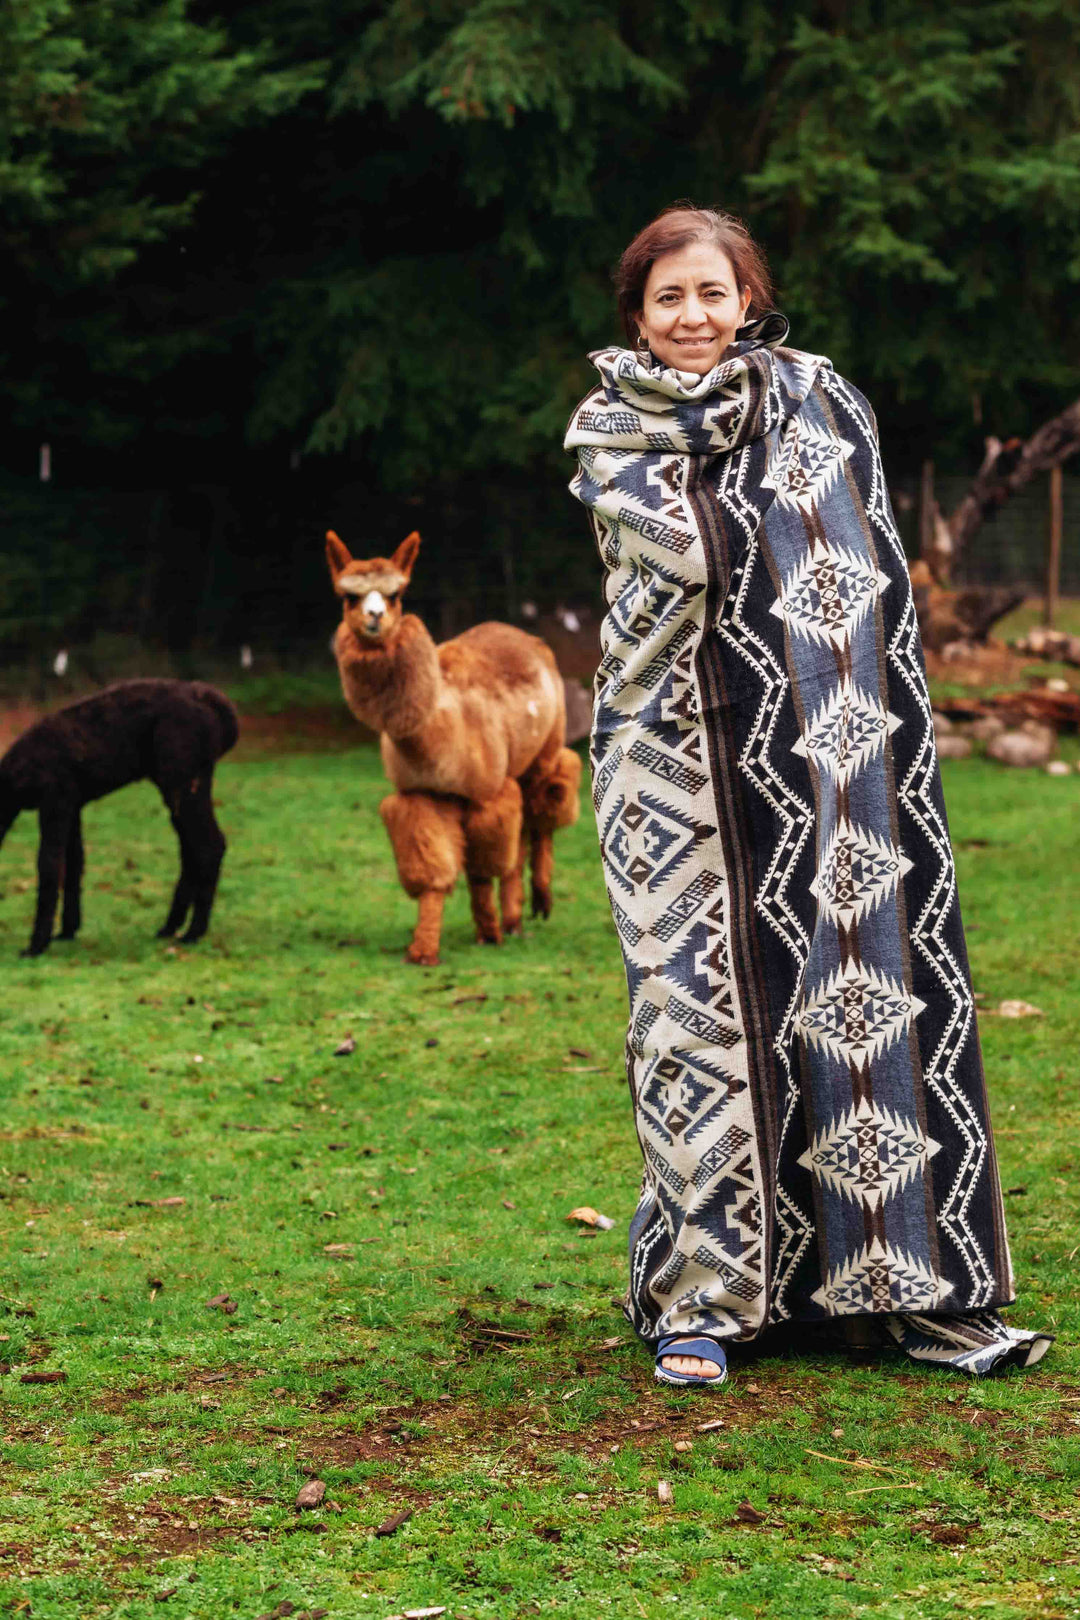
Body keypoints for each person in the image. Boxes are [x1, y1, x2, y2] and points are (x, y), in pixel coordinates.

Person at [564, 202, 1051, 1387]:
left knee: (868, 994)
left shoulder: (824, 403)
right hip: (676, 766)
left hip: (833, 763)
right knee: (696, 1022)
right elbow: (683, 560)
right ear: (637, 315)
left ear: (750, 300)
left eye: (713, 293)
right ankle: (706, 1302)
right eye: (668, 297)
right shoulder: (610, 427)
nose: (693, 315)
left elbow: (864, 568)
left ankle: (905, 1285)